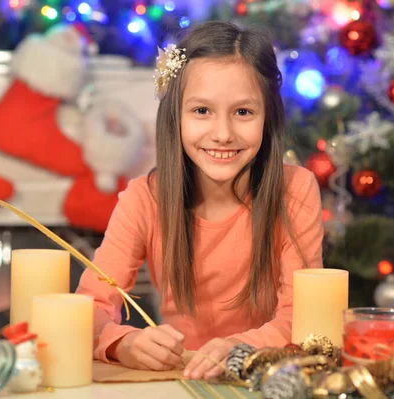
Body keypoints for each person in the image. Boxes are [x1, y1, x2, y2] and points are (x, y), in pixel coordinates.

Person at [75, 20, 324, 380]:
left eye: (243, 112)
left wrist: (243, 347)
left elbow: (302, 314)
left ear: (268, 117)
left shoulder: (296, 190)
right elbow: (90, 307)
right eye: (201, 111)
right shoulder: (144, 199)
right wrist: (123, 342)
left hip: (268, 379)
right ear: (175, 116)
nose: (222, 135)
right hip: (179, 380)